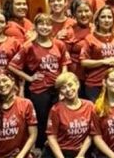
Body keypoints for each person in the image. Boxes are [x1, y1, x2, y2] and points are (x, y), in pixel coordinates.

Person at [8, 13, 71, 149]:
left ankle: (58, 146)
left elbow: (64, 64)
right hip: (39, 90)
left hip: (57, 89)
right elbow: (12, 66)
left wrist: (62, 84)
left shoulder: (59, 44)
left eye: (48, 24)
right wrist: (30, 78)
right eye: (41, 24)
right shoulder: (28, 46)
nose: (45, 27)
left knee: (59, 119)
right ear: (35, 27)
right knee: (42, 120)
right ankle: (41, 149)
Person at [40, 72, 94, 158]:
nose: (68, 90)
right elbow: (51, 137)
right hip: (57, 154)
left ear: (77, 84)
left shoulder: (89, 106)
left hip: (78, 152)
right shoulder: (56, 109)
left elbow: (92, 134)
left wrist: (81, 155)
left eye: (70, 85)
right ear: (60, 91)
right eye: (63, 88)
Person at [79, 6, 114, 100]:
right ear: (97, 20)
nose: (106, 20)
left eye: (109, 17)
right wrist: (104, 61)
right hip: (95, 84)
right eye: (103, 17)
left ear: (113, 20)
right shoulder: (90, 38)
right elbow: (84, 62)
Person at [64, 0, 93, 78]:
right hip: (76, 77)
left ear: (91, 12)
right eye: (79, 11)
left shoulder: (97, 29)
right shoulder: (69, 32)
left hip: (95, 75)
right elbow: (64, 59)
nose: (83, 14)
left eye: (86, 11)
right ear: (74, 14)